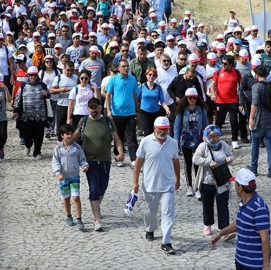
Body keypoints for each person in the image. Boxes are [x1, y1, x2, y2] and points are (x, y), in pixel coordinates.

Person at [72, 97, 124, 232]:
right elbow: (74, 137)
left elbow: (117, 139)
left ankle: (97, 206)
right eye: (91, 107)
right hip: (89, 161)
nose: (93, 110)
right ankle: (96, 219)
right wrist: (62, 146)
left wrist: (121, 153)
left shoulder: (108, 121)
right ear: (88, 108)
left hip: (105, 161)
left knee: (102, 188)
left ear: (101, 107)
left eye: (95, 107)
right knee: (94, 188)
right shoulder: (83, 122)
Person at [132, 116, 180, 255]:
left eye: (166, 129)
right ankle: (150, 228)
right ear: (154, 128)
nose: (163, 132)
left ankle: (166, 241)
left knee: (168, 213)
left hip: (168, 184)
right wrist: (135, 182)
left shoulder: (172, 143)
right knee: (150, 211)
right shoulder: (146, 142)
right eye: (161, 129)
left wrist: (178, 179)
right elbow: (138, 162)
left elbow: (176, 161)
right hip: (150, 184)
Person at [211, 168, 271, 270]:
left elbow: (265, 238)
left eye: (235, 184)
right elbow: (240, 222)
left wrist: (266, 265)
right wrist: (220, 233)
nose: (234, 186)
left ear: (240, 188)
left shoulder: (259, 207)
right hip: (241, 261)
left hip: (254, 265)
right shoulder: (243, 203)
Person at [193, 125, 234, 236]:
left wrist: (230, 159)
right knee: (207, 205)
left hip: (222, 181)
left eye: (217, 136)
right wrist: (208, 162)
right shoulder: (203, 147)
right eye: (212, 136)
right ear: (207, 137)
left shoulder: (224, 145)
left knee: (223, 205)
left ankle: (224, 228)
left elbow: (231, 156)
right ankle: (208, 224)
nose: (215, 138)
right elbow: (195, 159)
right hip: (207, 182)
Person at [52, 123, 89, 230]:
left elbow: (82, 159)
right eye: (67, 134)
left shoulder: (77, 148)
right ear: (62, 135)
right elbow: (55, 162)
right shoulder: (58, 148)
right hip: (63, 178)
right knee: (66, 197)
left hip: (74, 177)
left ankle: (79, 219)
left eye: (71, 134)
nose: (69, 136)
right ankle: (68, 216)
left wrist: (84, 166)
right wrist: (58, 173)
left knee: (76, 197)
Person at [105, 59, 141, 167]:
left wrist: (137, 110)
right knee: (118, 136)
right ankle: (119, 156)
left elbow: (135, 95)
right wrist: (108, 110)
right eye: (123, 66)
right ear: (119, 68)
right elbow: (108, 95)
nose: (126, 68)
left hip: (130, 112)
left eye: (127, 66)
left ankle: (133, 158)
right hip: (117, 113)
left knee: (132, 136)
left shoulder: (133, 79)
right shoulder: (113, 79)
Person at [173, 88, 208, 197]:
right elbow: (177, 125)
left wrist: (206, 136)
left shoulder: (201, 109)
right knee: (187, 163)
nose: (192, 100)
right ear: (186, 98)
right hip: (186, 139)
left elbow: (205, 123)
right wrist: (176, 139)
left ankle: (198, 187)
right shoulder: (182, 110)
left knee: (197, 163)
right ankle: (189, 186)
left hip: (198, 139)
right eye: (190, 98)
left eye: (194, 98)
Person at [12, 66, 50, 160]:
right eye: (31, 75)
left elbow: (49, 96)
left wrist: (46, 94)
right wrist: (16, 111)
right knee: (27, 135)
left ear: (37, 75)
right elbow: (18, 98)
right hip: (26, 116)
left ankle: (37, 151)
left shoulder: (42, 85)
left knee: (39, 135)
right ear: (28, 75)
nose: (33, 77)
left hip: (40, 115)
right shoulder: (23, 85)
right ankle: (28, 145)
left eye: (34, 75)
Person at [247, 66, 271, 180]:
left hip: (259, 120)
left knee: (255, 144)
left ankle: (254, 168)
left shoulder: (256, 87)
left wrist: (251, 118)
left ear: (257, 75)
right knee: (270, 146)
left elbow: (254, 103)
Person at [212, 56, 243, 149]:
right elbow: (213, 85)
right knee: (219, 121)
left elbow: (241, 85)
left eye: (225, 64)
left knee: (233, 121)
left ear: (231, 64)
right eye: (222, 63)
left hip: (233, 101)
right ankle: (216, 139)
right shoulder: (218, 71)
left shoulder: (237, 72)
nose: (223, 65)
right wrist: (213, 94)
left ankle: (235, 140)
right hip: (221, 101)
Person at [49, 60, 78, 140]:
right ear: (64, 68)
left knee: (72, 126)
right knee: (60, 126)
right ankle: (60, 142)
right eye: (68, 70)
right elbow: (51, 90)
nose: (70, 72)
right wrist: (61, 90)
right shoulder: (58, 78)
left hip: (73, 106)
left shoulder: (76, 78)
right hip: (61, 105)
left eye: (72, 70)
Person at [139, 67, 171, 136]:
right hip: (144, 111)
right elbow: (136, 98)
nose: (151, 77)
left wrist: (166, 108)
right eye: (150, 74)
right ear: (146, 75)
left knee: (155, 132)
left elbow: (162, 100)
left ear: (156, 77)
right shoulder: (141, 87)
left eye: (154, 75)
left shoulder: (158, 87)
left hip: (156, 112)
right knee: (147, 131)